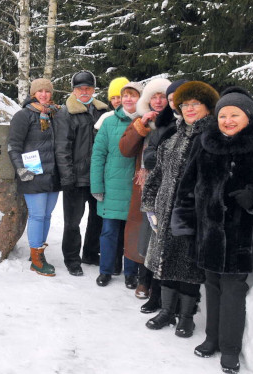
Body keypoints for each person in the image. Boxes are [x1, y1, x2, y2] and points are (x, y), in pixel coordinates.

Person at [171, 87, 253, 373]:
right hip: (207, 232)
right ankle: (212, 338)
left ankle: (230, 349)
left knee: (233, 289)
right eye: (223, 115)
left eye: (235, 115)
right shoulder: (205, 143)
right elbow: (187, 186)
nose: (228, 120)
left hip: (243, 234)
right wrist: (184, 224)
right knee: (212, 284)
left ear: (247, 116)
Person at [141, 81, 219, 338]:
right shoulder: (173, 137)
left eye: (195, 104)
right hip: (165, 213)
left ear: (207, 106)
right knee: (165, 261)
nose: (189, 109)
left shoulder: (214, 139)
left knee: (189, 266)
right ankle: (166, 311)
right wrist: (151, 205)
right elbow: (157, 175)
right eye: (185, 104)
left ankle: (186, 316)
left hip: (194, 216)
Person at [135, 78, 187, 313]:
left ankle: (180, 305)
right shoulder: (165, 122)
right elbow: (151, 155)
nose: (174, 103)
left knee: (179, 248)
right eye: (172, 99)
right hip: (162, 190)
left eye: (179, 98)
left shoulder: (199, 124)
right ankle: (154, 294)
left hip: (185, 194)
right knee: (156, 243)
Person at [118, 78, 171, 297]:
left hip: (168, 185)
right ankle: (143, 281)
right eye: (153, 97)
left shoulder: (177, 121)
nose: (158, 101)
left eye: (162, 97)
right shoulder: (142, 120)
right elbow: (125, 148)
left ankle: (161, 286)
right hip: (144, 186)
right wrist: (141, 125)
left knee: (164, 234)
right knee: (144, 232)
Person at [54, 70, 110, 275]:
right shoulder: (65, 112)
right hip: (75, 179)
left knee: (97, 219)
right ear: (74, 90)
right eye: (80, 88)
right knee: (72, 222)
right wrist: (67, 178)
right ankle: (71, 258)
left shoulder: (102, 111)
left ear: (94, 90)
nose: (84, 92)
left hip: (97, 177)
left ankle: (90, 253)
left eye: (88, 88)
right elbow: (62, 148)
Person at [7, 78, 62, 276]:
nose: (44, 94)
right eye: (40, 91)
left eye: (47, 91)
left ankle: (38, 251)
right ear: (33, 94)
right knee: (38, 215)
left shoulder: (56, 114)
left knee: (46, 215)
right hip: (33, 174)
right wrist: (20, 169)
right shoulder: (24, 116)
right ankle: (37, 259)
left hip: (53, 175)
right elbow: (14, 145)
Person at [90, 82, 142, 287]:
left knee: (132, 232)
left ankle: (131, 273)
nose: (128, 99)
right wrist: (97, 186)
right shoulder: (109, 122)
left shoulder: (146, 122)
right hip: (112, 187)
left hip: (135, 188)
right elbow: (98, 156)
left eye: (133, 95)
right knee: (109, 232)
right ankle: (106, 270)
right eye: (125, 95)